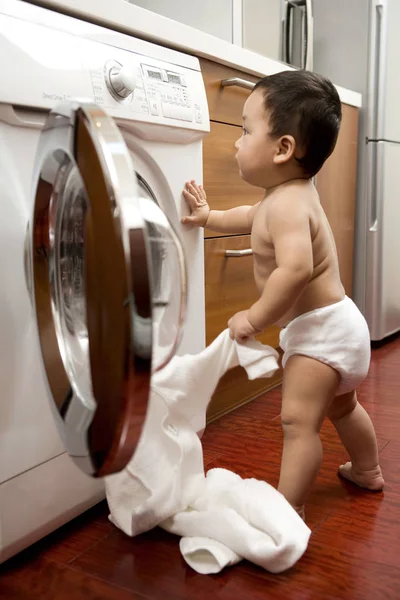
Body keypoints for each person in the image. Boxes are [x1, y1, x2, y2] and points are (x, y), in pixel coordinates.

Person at [181, 70, 384, 519]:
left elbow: (296, 269)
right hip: (337, 326)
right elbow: (249, 216)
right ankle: (367, 470)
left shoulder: (289, 204)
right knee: (343, 407)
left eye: (246, 129)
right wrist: (208, 216)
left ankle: (289, 509)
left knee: (297, 421)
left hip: (321, 335)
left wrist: (254, 318)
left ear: (283, 148)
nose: (236, 140)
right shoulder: (287, 196)